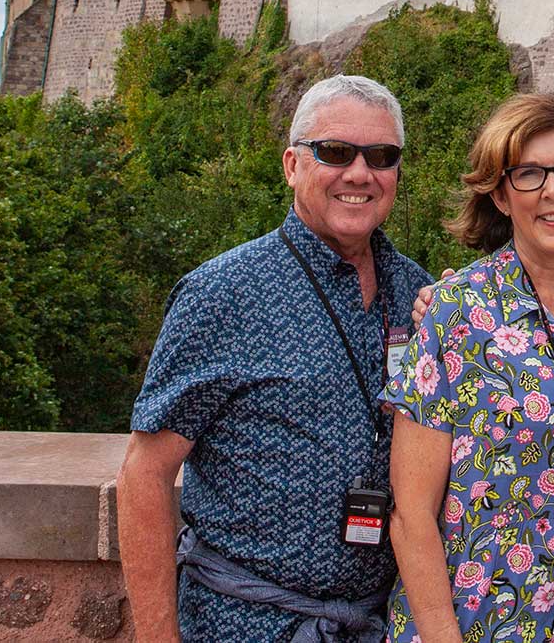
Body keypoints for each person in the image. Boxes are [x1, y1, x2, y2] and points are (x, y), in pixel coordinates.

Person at [117, 74, 432, 643]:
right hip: (244, 625)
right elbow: (146, 471)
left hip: (381, 625)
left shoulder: (418, 294)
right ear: (292, 165)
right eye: (335, 152)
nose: (359, 173)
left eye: (380, 156)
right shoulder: (223, 292)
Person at [385, 93, 554, 643]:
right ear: (501, 196)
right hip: (471, 626)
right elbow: (411, 514)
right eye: (529, 174)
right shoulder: (455, 312)